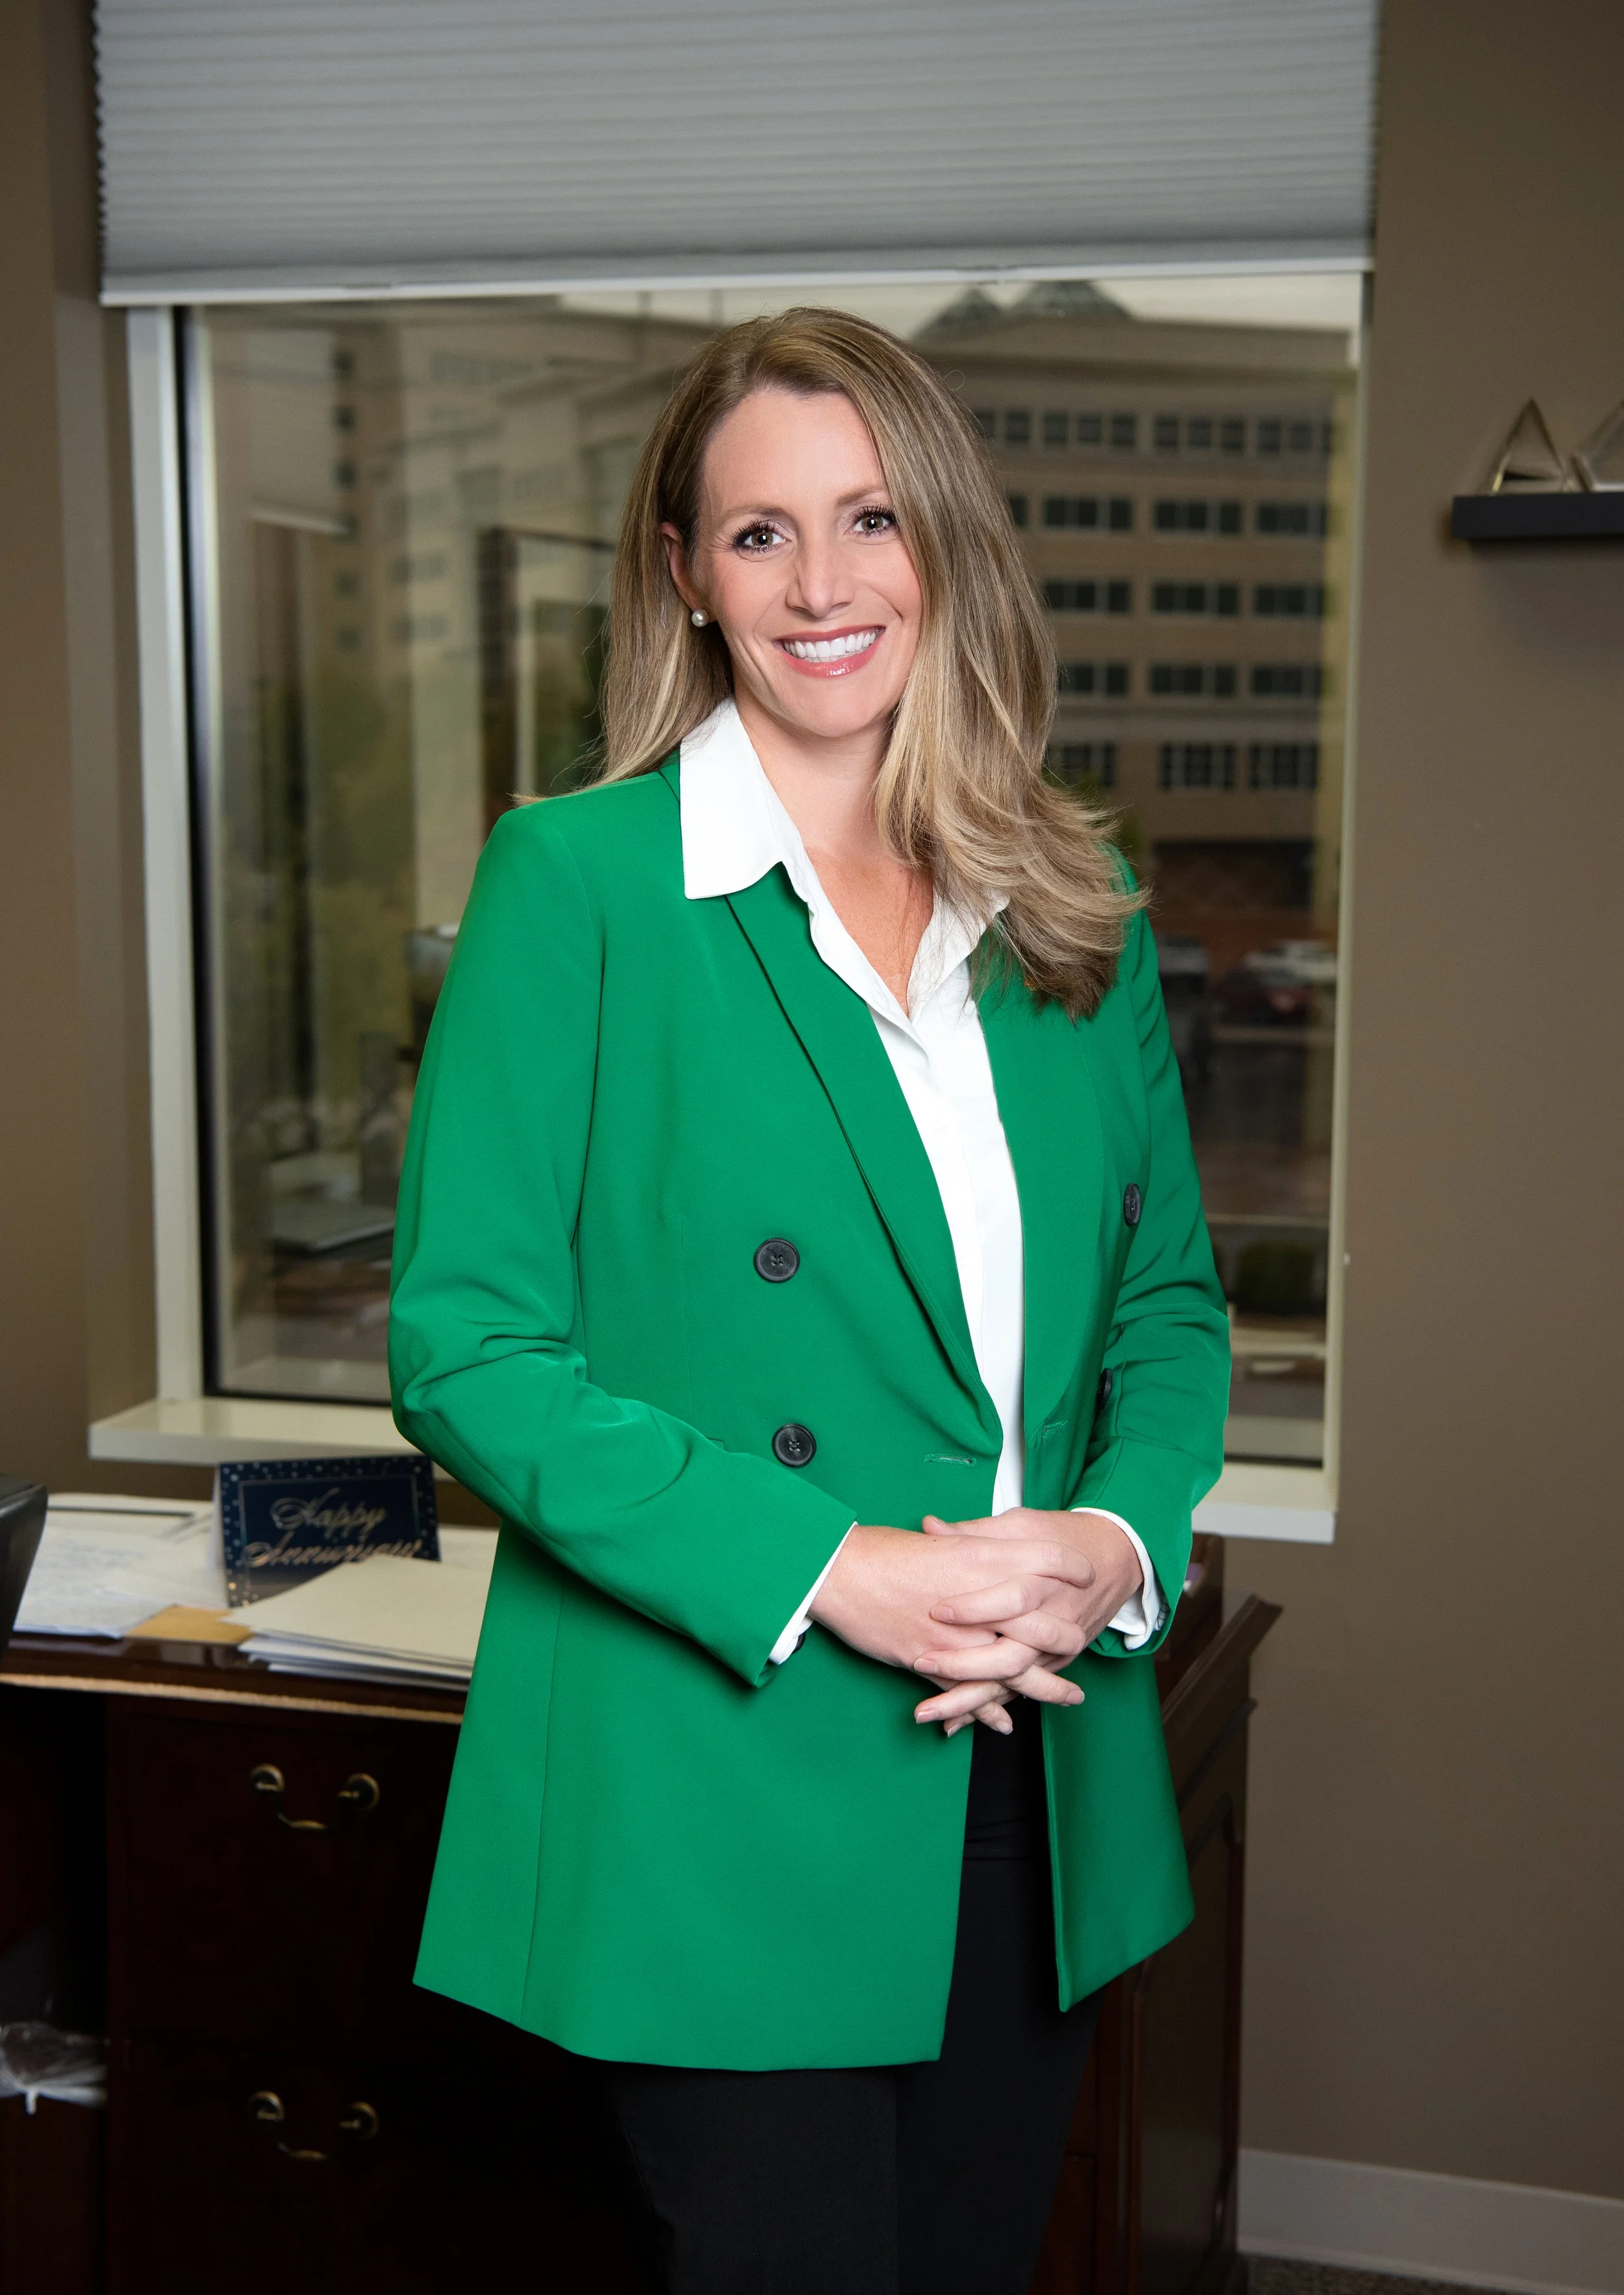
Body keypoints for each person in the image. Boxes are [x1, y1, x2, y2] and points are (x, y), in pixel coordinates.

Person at [389, 307, 1229, 2294]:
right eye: (758, 534)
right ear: (684, 572)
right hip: (721, 1770)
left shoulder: (1068, 893)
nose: (823, 583)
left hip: (1023, 1751)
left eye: (867, 518)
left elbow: (1170, 1311)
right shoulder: (576, 882)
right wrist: (830, 1563)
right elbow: (467, 1344)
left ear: (944, 541)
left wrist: (1107, 1537)